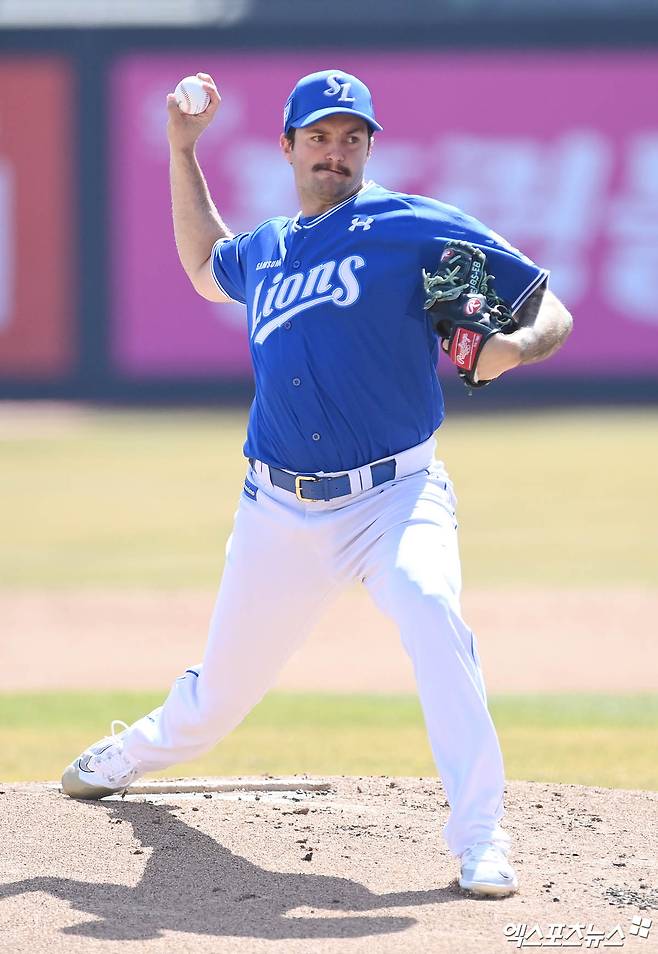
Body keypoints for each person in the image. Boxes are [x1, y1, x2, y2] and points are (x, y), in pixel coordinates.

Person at [62, 69, 572, 896]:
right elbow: (205, 265)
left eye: (352, 137)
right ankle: (133, 751)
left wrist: (514, 347)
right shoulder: (267, 248)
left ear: (370, 147)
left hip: (396, 497)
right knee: (216, 701)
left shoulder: (412, 226)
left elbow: (550, 308)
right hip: (277, 510)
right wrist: (182, 151)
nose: (336, 151)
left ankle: (481, 835)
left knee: (429, 607)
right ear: (288, 147)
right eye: (320, 136)